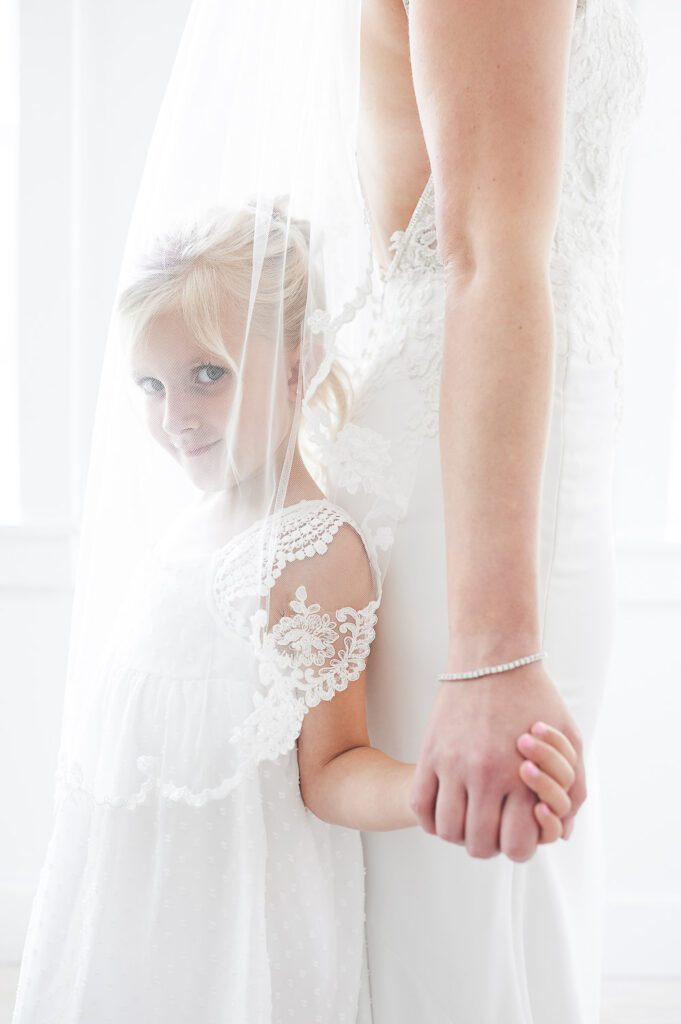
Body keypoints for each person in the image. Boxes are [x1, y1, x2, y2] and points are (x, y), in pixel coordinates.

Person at [10, 204, 575, 1023]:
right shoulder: (184, 531)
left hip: (233, 920)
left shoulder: (309, 550)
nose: (177, 416)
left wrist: (432, 786)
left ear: (296, 366)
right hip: (137, 899)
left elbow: (333, 762)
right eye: (152, 385)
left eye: (209, 374)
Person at [314, 0, 648, 1021]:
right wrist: (493, 651)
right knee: (474, 919)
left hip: (508, 459)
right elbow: (487, 252)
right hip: (475, 501)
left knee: (504, 908)